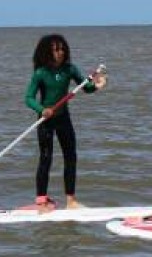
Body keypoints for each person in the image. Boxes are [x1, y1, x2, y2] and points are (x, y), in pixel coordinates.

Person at [24, 34, 107, 213]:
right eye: (55, 50)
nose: (60, 53)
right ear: (47, 52)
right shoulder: (40, 73)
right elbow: (28, 98)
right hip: (45, 120)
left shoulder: (69, 69)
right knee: (46, 158)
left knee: (71, 157)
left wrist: (98, 85)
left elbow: (86, 87)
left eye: (62, 49)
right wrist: (41, 109)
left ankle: (71, 200)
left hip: (63, 118)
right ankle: (41, 202)